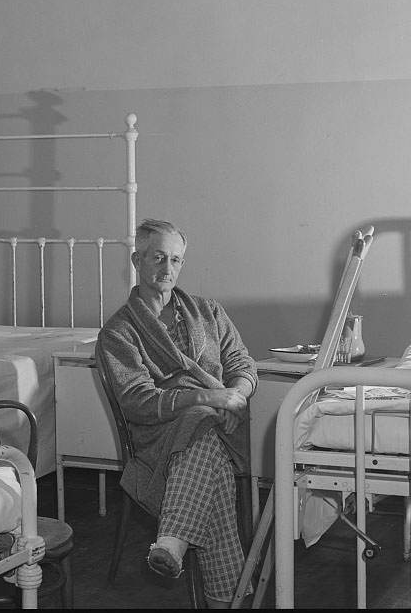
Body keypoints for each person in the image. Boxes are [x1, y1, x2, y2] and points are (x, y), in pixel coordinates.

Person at [95, 218, 257, 608]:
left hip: (217, 423)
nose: (168, 269)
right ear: (137, 260)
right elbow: (138, 400)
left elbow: (243, 364)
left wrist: (234, 395)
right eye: (158, 258)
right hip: (157, 438)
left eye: (176, 260)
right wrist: (207, 400)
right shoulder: (118, 332)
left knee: (204, 432)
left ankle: (173, 542)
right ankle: (226, 599)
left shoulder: (208, 312)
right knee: (201, 427)